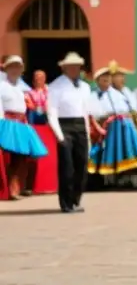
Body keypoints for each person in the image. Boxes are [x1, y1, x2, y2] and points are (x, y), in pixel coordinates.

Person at [87, 62, 137, 186]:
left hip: (125, 126)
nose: (107, 81)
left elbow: (130, 108)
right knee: (109, 152)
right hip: (108, 127)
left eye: (108, 79)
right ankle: (109, 179)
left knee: (131, 150)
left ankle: (128, 178)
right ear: (98, 81)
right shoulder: (95, 95)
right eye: (103, 80)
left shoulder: (120, 93)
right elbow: (96, 113)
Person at [46, 52, 93, 213]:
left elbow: (86, 112)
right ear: (64, 68)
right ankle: (65, 203)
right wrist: (59, 135)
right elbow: (51, 112)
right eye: (71, 67)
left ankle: (75, 199)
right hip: (64, 125)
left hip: (80, 126)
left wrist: (87, 133)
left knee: (82, 165)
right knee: (67, 167)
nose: (75, 69)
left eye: (77, 67)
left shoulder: (85, 87)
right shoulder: (55, 87)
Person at [0, 55, 48, 199]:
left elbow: (24, 106)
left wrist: (26, 121)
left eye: (18, 67)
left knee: (23, 156)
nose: (15, 70)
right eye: (12, 67)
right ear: (6, 69)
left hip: (22, 123)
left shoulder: (21, 88)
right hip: (7, 123)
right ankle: (11, 188)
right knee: (11, 156)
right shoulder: (2, 85)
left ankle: (19, 186)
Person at [24, 69, 58, 196]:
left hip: (48, 124)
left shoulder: (50, 92)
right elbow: (29, 106)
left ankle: (51, 184)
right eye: (37, 77)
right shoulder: (29, 93)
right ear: (33, 80)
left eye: (41, 77)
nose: (39, 79)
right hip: (35, 124)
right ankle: (33, 185)